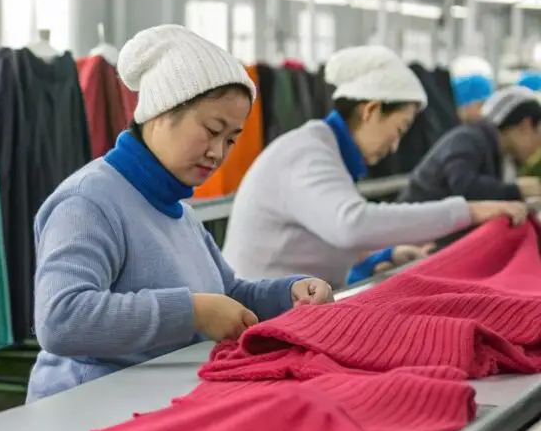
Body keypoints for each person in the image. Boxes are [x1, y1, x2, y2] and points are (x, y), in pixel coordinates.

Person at [26, 25, 334, 403]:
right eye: (211, 130)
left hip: (150, 403)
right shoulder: (88, 202)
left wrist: (289, 293)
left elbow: (229, 293)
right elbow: (61, 319)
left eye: (231, 139)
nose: (218, 153)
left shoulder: (178, 212)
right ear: (159, 112)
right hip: (82, 414)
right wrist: (191, 311)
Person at [223, 45, 528, 289]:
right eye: (399, 129)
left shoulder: (327, 151)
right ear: (371, 111)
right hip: (256, 316)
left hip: (292, 305)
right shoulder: (307, 152)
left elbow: (321, 232)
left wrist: (383, 255)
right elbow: (351, 224)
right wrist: (468, 211)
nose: (395, 146)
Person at [401, 86, 541, 205]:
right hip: (415, 228)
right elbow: (464, 187)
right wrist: (517, 190)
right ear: (525, 125)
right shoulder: (469, 140)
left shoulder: (500, 153)